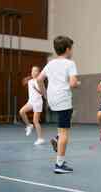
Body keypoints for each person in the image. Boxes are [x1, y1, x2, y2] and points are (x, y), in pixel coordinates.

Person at [37, 36, 80, 173]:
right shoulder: (70, 63)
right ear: (68, 49)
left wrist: (45, 95)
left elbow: (39, 80)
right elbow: (73, 83)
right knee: (64, 132)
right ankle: (59, 165)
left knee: (66, 120)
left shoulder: (50, 63)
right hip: (63, 99)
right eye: (71, 48)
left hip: (52, 100)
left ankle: (57, 139)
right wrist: (76, 84)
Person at [20, 66, 46, 145]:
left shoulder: (40, 81)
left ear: (38, 72)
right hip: (31, 102)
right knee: (21, 112)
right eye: (32, 71)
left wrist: (35, 88)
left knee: (36, 121)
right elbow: (25, 81)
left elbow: (42, 93)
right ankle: (29, 125)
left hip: (38, 102)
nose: (33, 72)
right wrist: (26, 80)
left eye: (35, 71)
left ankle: (40, 138)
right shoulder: (30, 81)